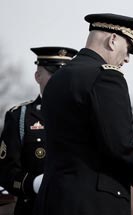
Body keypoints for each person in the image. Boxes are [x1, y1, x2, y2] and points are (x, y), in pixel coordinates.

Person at [34, 13, 133, 215]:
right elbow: (119, 147)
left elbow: (83, 141)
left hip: (53, 199)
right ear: (113, 40)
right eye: (128, 49)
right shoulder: (106, 76)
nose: (126, 58)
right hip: (93, 203)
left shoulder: (58, 78)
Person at [0, 46, 78, 215]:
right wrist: (34, 183)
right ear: (38, 77)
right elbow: (5, 171)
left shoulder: (85, 115)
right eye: (53, 75)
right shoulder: (20, 117)